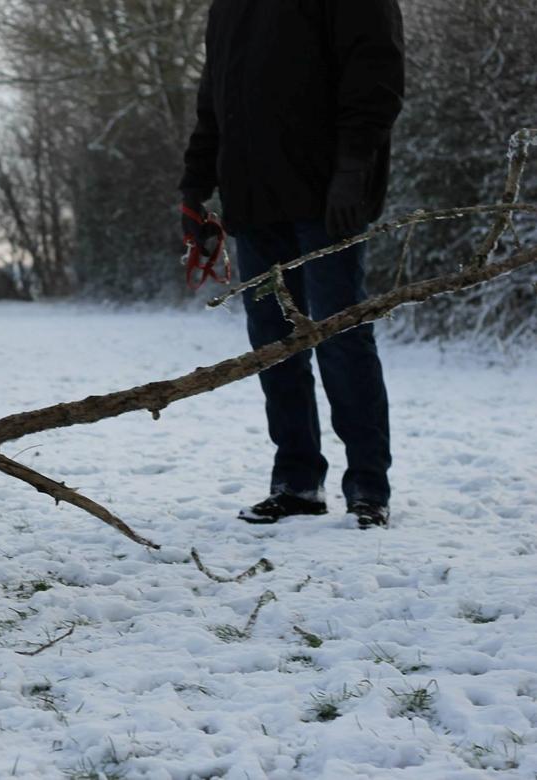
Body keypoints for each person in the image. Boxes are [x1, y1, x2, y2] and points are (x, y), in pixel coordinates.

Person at [179, 0, 405, 529]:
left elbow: (377, 75)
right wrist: (194, 187)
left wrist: (354, 167)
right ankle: (298, 482)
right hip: (254, 203)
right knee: (274, 349)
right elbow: (214, 98)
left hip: (329, 199)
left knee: (342, 340)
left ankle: (368, 486)